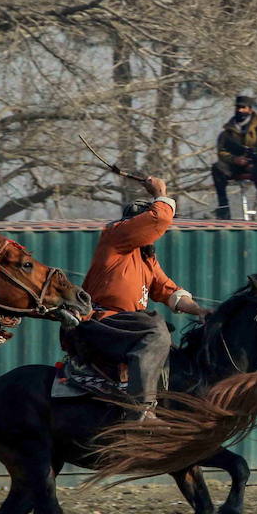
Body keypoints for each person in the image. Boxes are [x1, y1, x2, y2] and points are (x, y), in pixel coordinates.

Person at [74, 175, 206, 418]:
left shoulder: (146, 259)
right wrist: (160, 193)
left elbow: (170, 292)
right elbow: (161, 217)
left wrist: (200, 311)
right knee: (156, 329)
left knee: (170, 350)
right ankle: (141, 413)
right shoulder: (115, 237)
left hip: (129, 328)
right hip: (103, 323)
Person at [211, 95, 257, 220]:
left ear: (250, 109)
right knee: (217, 168)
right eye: (238, 107)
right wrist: (235, 160)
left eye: (243, 108)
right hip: (239, 164)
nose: (240, 110)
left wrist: (256, 158)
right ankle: (223, 208)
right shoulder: (229, 129)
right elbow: (222, 151)